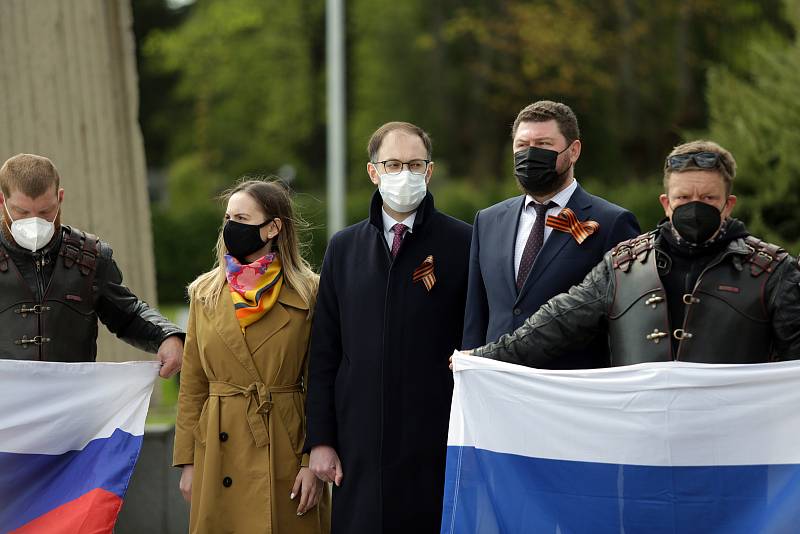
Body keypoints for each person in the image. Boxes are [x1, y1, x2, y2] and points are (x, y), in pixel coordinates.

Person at [467, 140, 800, 367]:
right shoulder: (624, 265)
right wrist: (483, 359)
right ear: (666, 204)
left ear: (728, 205)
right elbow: (556, 324)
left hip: (738, 449)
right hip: (642, 444)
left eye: (708, 199)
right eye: (683, 198)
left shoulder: (773, 271)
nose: (694, 207)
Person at [304, 122, 472, 533]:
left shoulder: (464, 242)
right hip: (358, 443)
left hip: (434, 439)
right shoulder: (344, 248)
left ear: (429, 172)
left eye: (414, 164)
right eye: (393, 164)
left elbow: (474, 340)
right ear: (373, 171)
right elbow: (324, 351)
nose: (405, 174)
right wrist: (320, 441)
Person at [173, 179, 330, 534]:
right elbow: (193, 384)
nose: (231, 227)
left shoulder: (309, 293)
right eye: (228, 218)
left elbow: (322, 380)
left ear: (273, 227)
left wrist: (311, 460)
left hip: (286, 446)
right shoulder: (204, 294)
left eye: (242, 218)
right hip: (218, 448)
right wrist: (188, 463)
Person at [462, 100, 640, 369]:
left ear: (574, 150)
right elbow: (477, 313)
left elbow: (625, 320)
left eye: (544, 144)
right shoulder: (488, 220)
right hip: (496, 382)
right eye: (522, 145)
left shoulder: (612, 222)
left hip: (568, 387)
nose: (531, 153)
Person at [0, 153, 183, 374]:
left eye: (45, 211)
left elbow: (128, 313)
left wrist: (167, 336)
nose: (34, 221)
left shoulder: (90, 255)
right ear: (2, 201)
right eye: (22, 212)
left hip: (73, 400)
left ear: (60, 198)